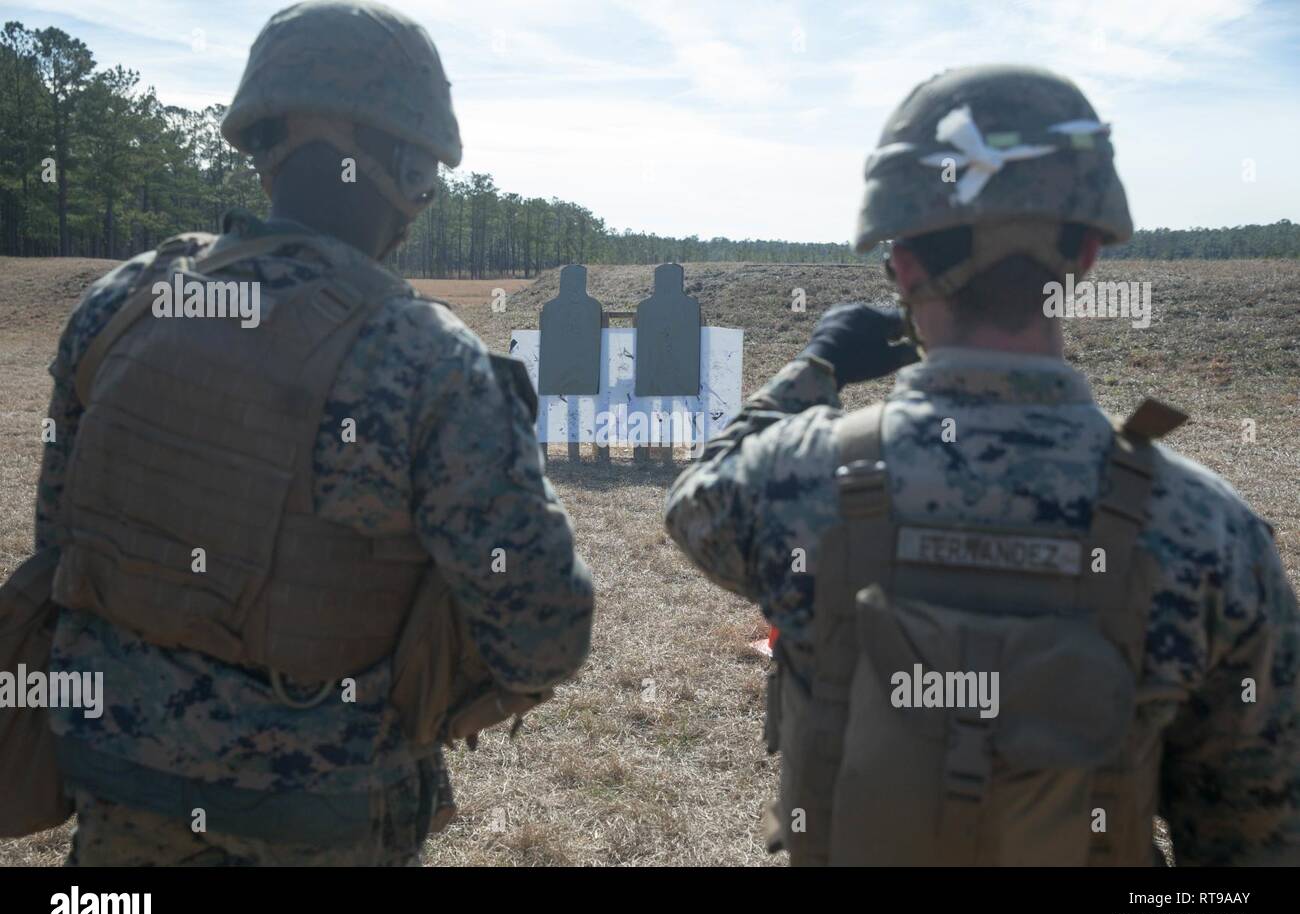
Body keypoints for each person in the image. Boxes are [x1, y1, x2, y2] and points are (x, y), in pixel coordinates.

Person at [664, 64, 1298, 866]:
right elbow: (1254, 847)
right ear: (1089, 254)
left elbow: (693, 494)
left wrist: (816, 365)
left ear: (900, 264)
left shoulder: (796, 477)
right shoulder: (1211, 530)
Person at [36, 0, 592, 865]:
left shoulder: (127, 302)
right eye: (424, 179)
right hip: (324, 825)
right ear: (402, 164)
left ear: (265, 153)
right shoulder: (427, 358)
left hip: (117, 804)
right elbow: (546, 633)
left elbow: (61, 544)